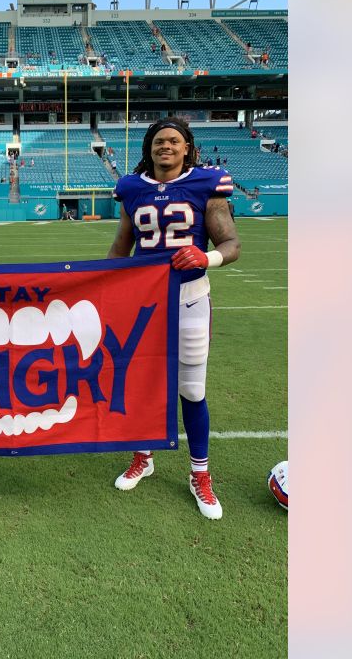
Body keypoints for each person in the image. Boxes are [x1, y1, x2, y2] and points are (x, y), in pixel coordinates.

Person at [106, 116, 242, 520]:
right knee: (143, 385)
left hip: (189, 299)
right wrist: (98, 289)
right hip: (145, 304)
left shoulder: (207, 183)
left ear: (187, 148)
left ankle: (200, 473)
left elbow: (231, 243)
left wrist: (207, 256)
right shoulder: (132, 189)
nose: (165, 146)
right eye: (158, 141)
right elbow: (119, 249)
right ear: (149, 148)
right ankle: (144, 457)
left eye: (173, 141)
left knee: (192, 390)